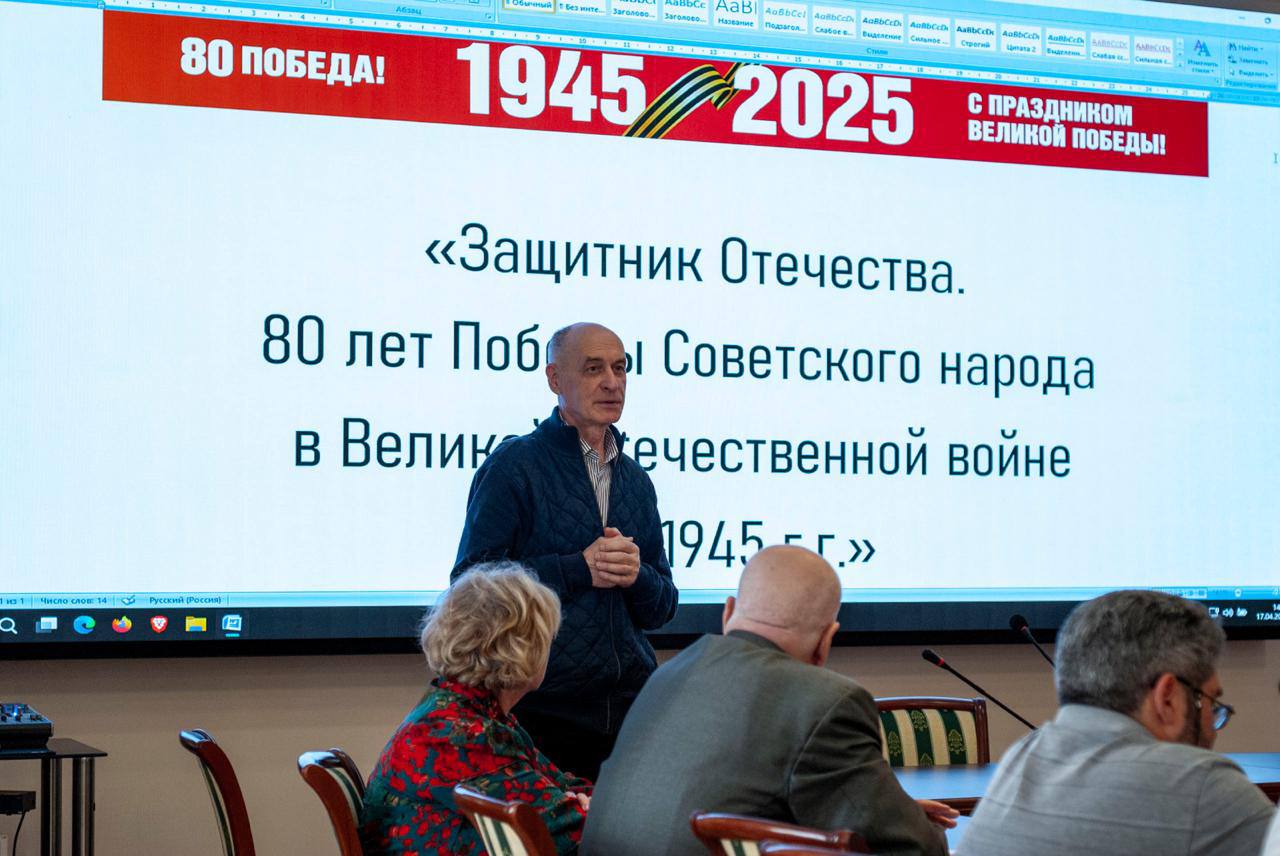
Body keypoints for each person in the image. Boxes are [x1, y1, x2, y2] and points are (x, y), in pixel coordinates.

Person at [580, 545, 953, 856]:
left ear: (728, 612)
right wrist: (911, 824)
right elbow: (914, 848)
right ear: (827, 639)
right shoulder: (827, 702)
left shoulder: (666, 676)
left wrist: (880, 808)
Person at [453, 322, 678, 779]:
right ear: (555, 379)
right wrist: (577, 569)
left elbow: (662, 608)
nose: (612, 382)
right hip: (541, 712)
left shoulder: (636, 481)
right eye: (594, 369)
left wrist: (637, 576)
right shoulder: (514, 467)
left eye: (620, 368)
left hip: (630, 712)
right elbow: (471, 585)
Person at [959, 590, 1276, 856]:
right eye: (1209, 703)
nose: (1212, 727)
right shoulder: (1203, 787)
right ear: (1167, 697)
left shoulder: (1020, 758)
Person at [360, 563, 593, 855]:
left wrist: (588, 803)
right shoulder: (462, 733)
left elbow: (562, 787)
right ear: (522, 647)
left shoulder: (468, 712)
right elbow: (559, 829)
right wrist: (589, 809)